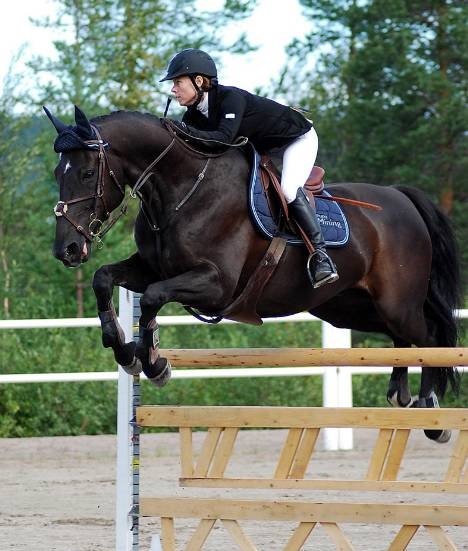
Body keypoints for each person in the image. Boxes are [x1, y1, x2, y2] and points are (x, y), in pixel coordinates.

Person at [160, 48, 339, 288]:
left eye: (178, 82)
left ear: (199, 81)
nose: (173, 89)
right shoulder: (192, 116)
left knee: (288, 189)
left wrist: (181, 131)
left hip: (297, 139)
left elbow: (223, 138)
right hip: (263, 147)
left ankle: (320, 256)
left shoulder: (230, 98)